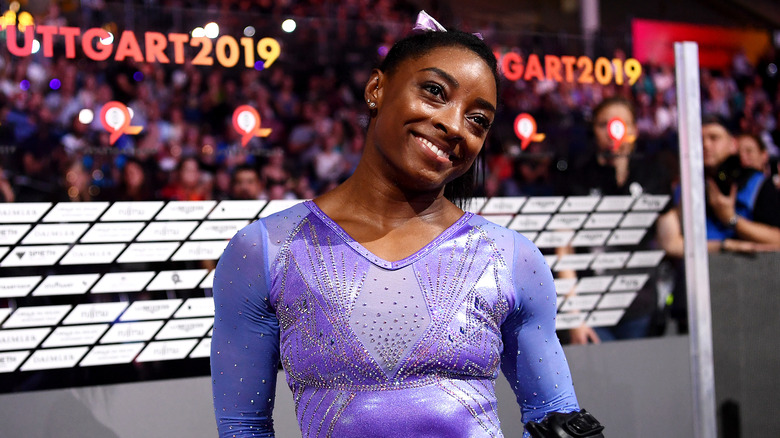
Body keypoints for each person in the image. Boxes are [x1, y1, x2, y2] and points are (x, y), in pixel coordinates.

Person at [211, 14, 602, 438]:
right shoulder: (266, 250)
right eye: (435, 92)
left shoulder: (510, 258)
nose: (454, 125)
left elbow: (554, 415)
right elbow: (242, 427)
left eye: (478, 120)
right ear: (376, 89)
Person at [563, 97, 672, 344]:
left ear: (634, 129)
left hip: (641, 308)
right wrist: (575, 317)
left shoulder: (653, 175)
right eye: (604, 124)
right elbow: (564, 251)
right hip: (593, 310)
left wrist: (727, 242)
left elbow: (671, 240)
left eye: (622, 123)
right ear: (594, 131)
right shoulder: (579, 178)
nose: (613, 131)